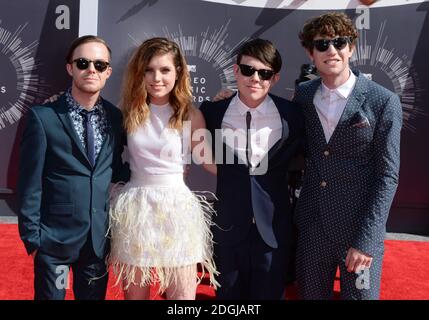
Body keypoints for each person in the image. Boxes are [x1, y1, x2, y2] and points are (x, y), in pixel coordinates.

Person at [293, 12, 402, 300]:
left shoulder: (383, 101)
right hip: (313, 228)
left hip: (360, 232)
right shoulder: (303, 95)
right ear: (310, 53)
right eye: (322, 45)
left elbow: (387, 176)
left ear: (351, 48)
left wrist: (366, 241)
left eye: (339, 42)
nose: (332, 50)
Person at [17, 35, 129, 300]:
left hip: (97, 242)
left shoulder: (115, 117)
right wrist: (34, 238)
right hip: (54, 242)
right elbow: (29, 182)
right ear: (70, 68)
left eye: (100, 65)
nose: (91, 70)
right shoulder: (43, 117)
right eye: (83, 63)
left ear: (108, 72)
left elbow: (115, 169)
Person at [108, 37, 218, 300]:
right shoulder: (128, 112)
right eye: (149, 70)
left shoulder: (190, 115)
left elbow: (210, 162)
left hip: (177, 209)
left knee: (182, 299)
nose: (157, 78)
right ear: (139, 73)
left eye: (165, 70)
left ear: (178, 72)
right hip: (136, 208)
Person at [200, 38, 305, 299]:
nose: (255, 78)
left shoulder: (292, 114)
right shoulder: (212, 112)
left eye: (264, 73)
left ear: (275, 78)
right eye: (248, 70)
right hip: (227, 228)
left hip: (273, 230)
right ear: (236, 71)